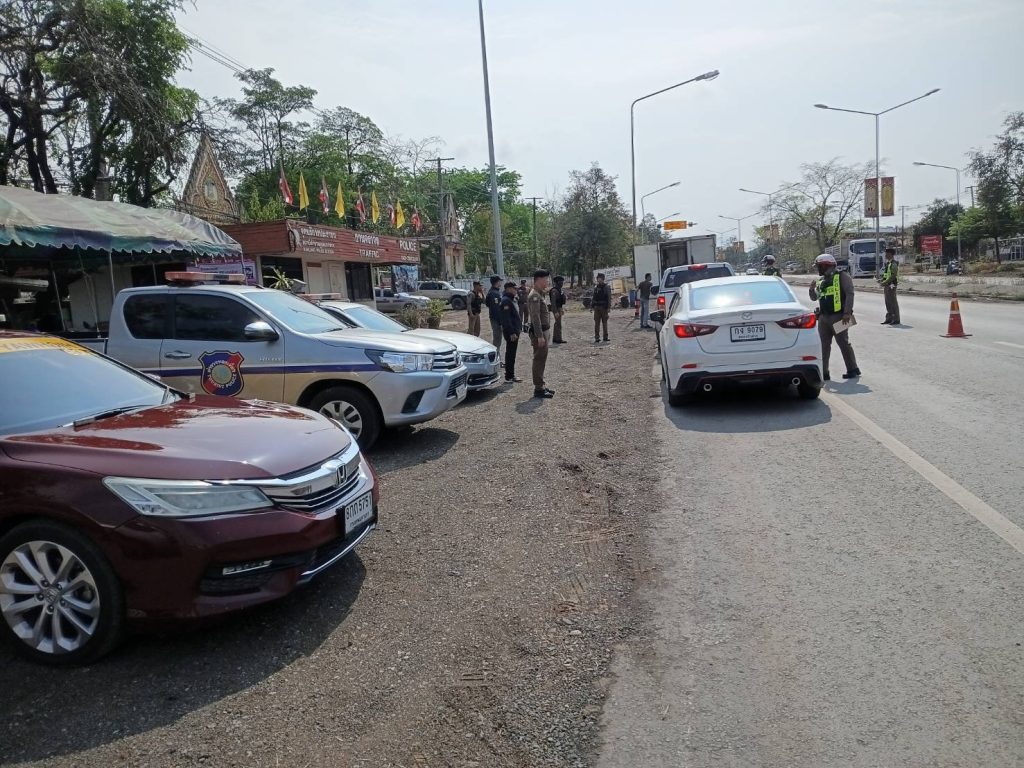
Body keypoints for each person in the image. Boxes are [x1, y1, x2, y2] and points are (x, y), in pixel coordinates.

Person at [809, 253, 861, 381]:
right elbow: (814, 298)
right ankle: (824, 372)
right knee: (823, 345)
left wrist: (847, 313)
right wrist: (811, 289)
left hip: (839, 317)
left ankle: (852, 369)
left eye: (819, 266)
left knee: (843, 343)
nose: (818, 269)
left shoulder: (842, 276)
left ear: (826, 265)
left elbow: (850, 294)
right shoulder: (821, 281)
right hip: (824, 318)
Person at [527, 269, 554, 398]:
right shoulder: (535, 296)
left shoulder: (540, 294)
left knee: (542, 359)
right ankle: (538, 388)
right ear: (539, 280)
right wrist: (539, 336)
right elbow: (535, 317)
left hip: (544, 331)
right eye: (545, 279)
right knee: (539, 359)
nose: (547, 281)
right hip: (540, 333)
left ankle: (541, 385)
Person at [499, 281, 523, 383]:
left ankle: (510, 375)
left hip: (515, 330)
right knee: (510, 354)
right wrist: (512, 332)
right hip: (511, 332)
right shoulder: (506, 301)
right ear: (508, 289)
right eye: (514, 288)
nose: (516, 290)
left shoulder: (511, 299)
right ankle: (509, 376)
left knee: (512, 353)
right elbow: (506, 319)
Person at [879, 247, 900, 325]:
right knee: (888, 302)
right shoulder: (888, 263)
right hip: (887, 285)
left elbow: (893, 276)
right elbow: (886, 275)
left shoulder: (893, 264)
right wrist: (882, 280)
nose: (885, 255)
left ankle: (896, 319)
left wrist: (885, 282)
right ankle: (889, 318)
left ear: (891, 254)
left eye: (887, 254)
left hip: (892, 285)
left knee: (893, 302)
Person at [486, 275, 504, 355]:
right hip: (496, 319)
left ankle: (497, 354)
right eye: (500, 281)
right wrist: (500, 322)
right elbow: (496, 309)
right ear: (497, 282)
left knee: (498, 338)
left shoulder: (494, 291)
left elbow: (487, 304)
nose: (501, 283)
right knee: (497, 338)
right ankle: (496, 356)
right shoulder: (494, 293)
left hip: (496, 318)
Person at [592, 273, 612, 343]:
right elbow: (594, 297)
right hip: (597, 307)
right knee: (597, 323)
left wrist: (609, 307)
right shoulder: (596, 287)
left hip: (604, 307)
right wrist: (592, 306)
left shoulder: (607, 287)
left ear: (602, 279)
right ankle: (597, 337)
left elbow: (609, 298)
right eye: (597, 278)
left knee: (604, 323)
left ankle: (605, 337)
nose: (598, 279)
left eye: (599, 278)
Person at [550, 275, 567, 343]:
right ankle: (559, 339)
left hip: (559, 307)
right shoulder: (554, 290)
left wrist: (561, 308)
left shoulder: (559, 290)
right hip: (556, 308)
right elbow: (553, 302)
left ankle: (555, 338)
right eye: (561, 282)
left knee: (557, 323)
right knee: (558, 324)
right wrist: (555, 311)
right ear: (557, 282)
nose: (562, 283)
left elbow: (561, 301)